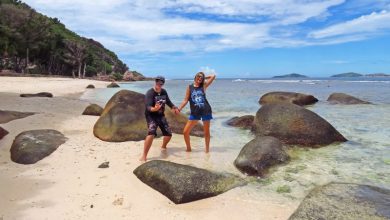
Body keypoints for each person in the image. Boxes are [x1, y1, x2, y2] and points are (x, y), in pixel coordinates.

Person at [140, 76, 180, 162]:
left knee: (169, 134)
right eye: (158, 82)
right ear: (155, 82)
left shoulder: (163, 91)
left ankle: (163, 146)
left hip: (161, 116)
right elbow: (148, 107)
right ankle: (144, 155)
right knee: (151, 133)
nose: (160, 84)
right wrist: (154, 109)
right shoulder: (150, 93)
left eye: (161, 83)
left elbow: (168, 101)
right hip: (151, 116)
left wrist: (174, 107)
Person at [178, 72, 216, 153]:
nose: (200, 78)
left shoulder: (203, 86)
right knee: (185, 132)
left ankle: (207, 151)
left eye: (201, 78)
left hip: (206, 110)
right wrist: (179, 108)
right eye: (198, 77)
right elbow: (185, 100)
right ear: (195, 77)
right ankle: (188, 149)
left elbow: (213, 76)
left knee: (206, 132)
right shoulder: (189, 87)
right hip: (195, 112)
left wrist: (204, 78)